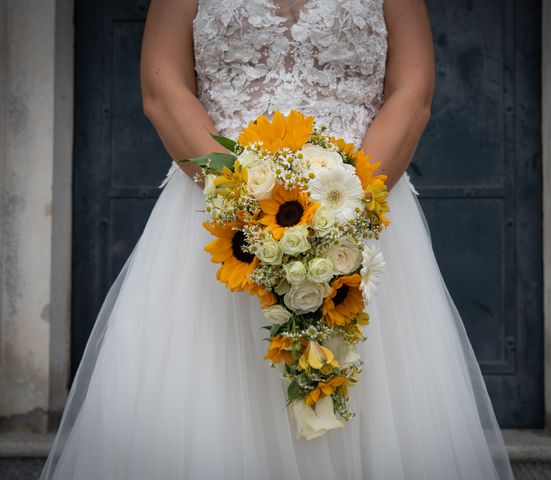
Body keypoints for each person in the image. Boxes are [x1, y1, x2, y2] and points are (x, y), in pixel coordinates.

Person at [39, 0, 514, 478]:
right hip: (220, 225)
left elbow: (412, 93)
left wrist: (344, 209)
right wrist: (246, 205)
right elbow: (163, 88)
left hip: (362, 220)